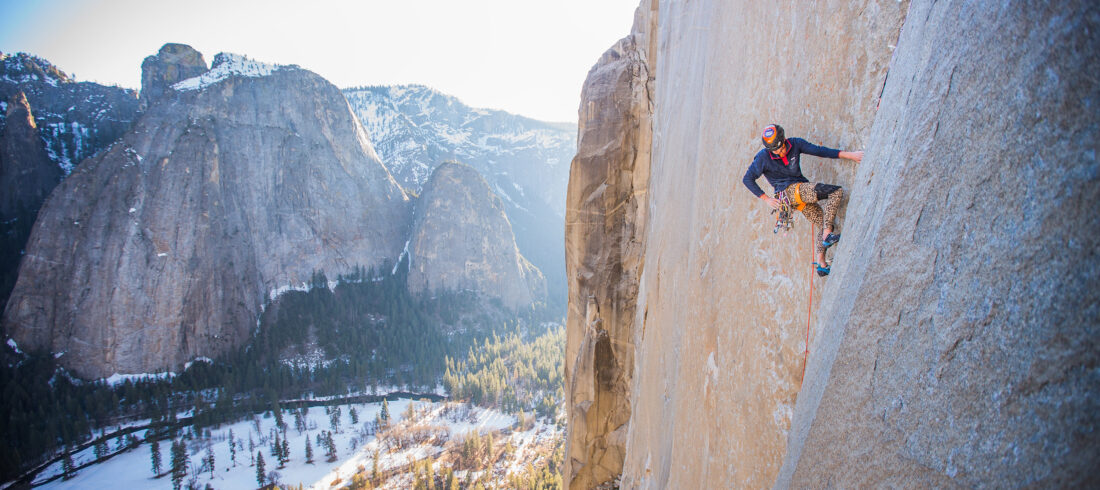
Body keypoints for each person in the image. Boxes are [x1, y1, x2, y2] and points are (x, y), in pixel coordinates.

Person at [743, 124, 863, 276]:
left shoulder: (795, 144)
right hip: (789, 194)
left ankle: (821, 263)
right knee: (836, 192)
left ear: (784, 139)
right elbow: (747, 179)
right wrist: (765, 198)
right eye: (775, 151)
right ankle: (827, 236)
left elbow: (820, 151)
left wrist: (850, 155)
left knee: (823, 222)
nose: (780, 153)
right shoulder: (763, 158)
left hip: (799, 192)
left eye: (780, 148)